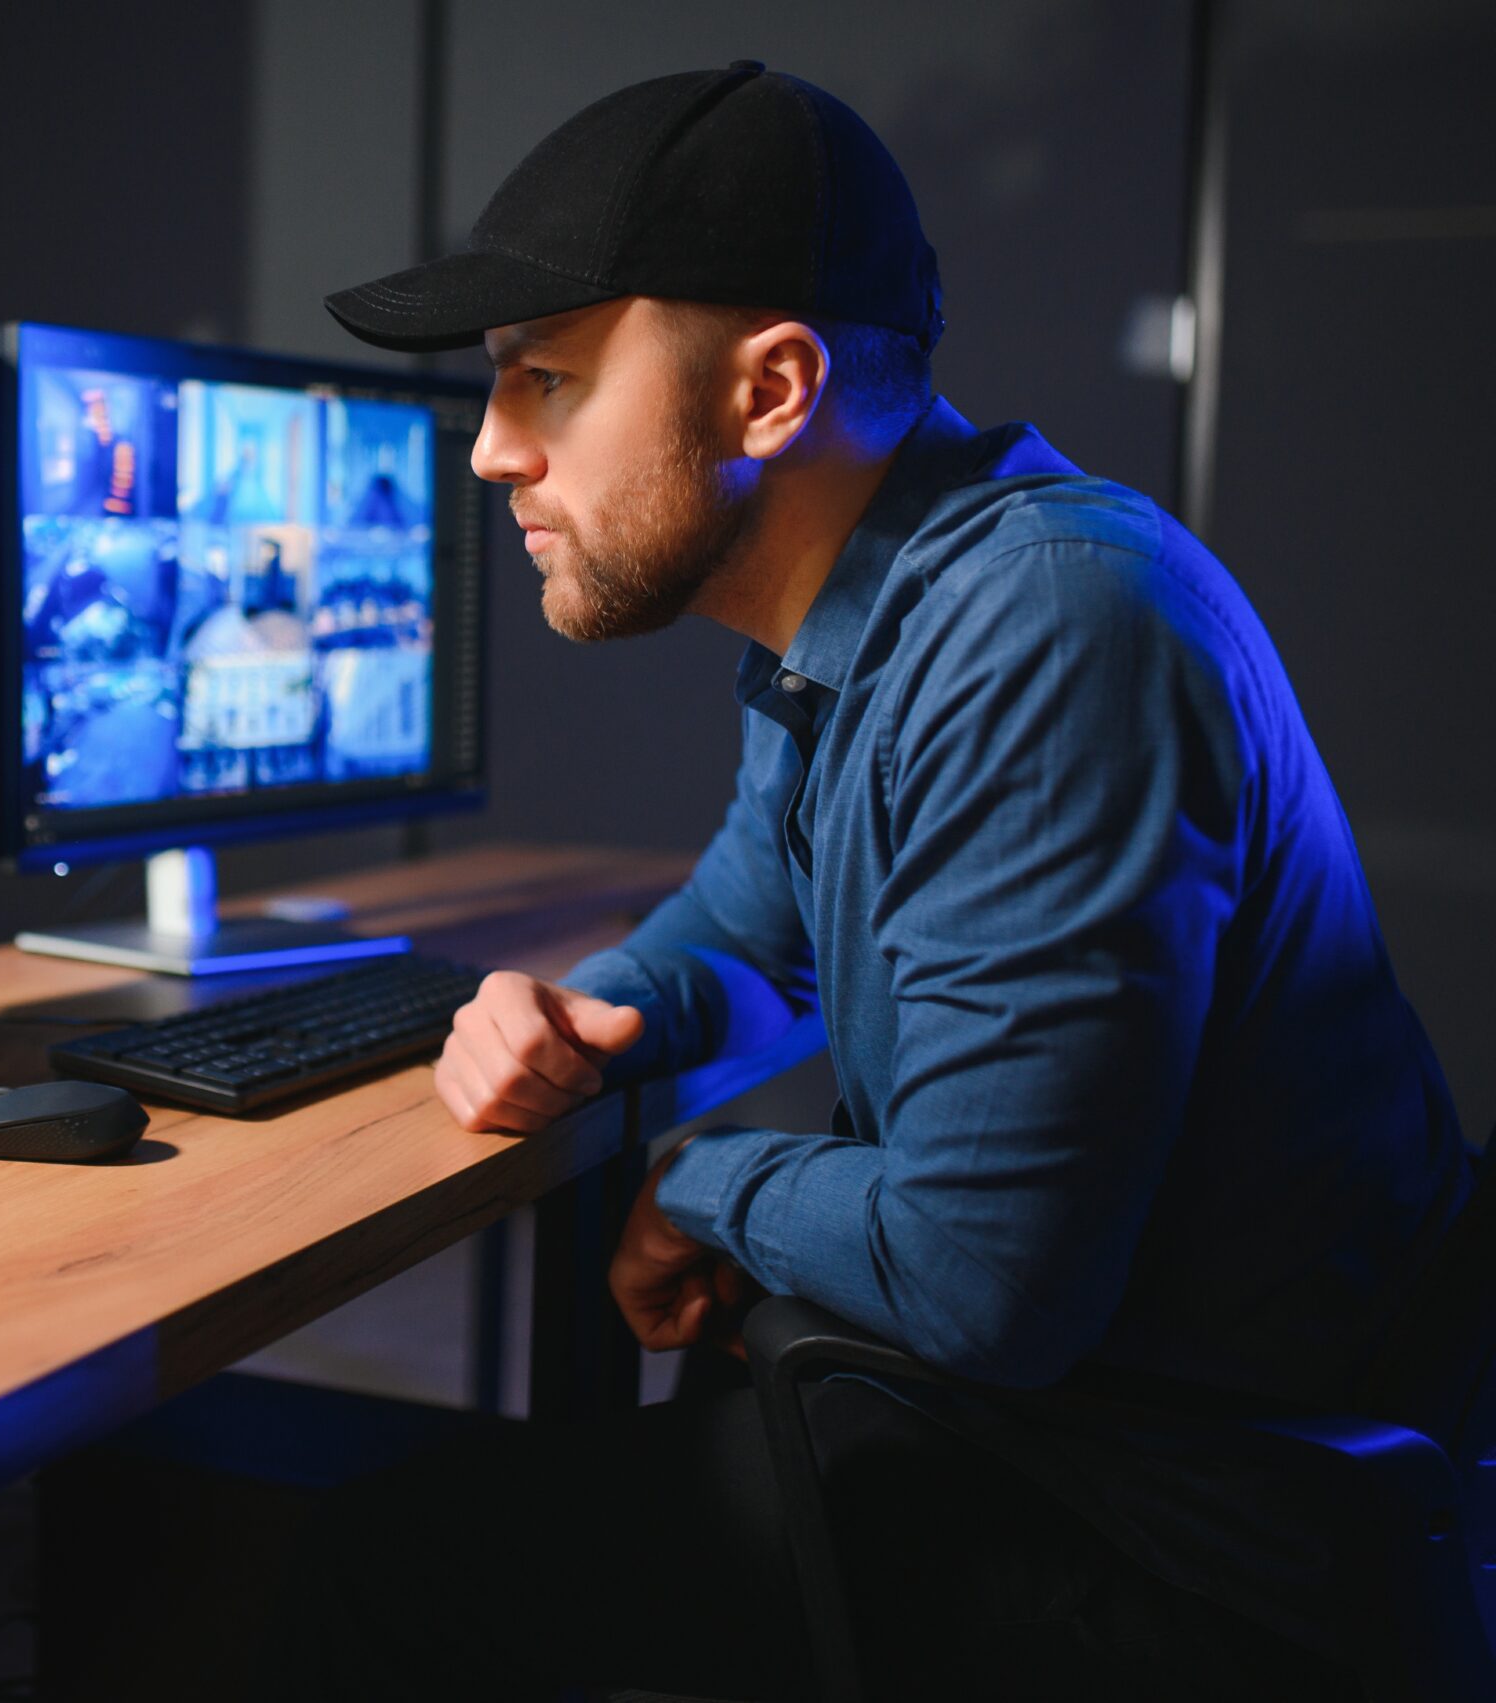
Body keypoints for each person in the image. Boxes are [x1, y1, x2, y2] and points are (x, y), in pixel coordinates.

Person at [269, 60, 1473, 1700]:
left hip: (1180, 1541)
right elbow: (746, 924)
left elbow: (986, 1284)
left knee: (370, 1572)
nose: (490, 452)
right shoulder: (863, 622)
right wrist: (585, 1013)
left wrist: (697, 1184)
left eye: (545, 380)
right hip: (1065, 1427)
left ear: (771, 393)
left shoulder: (1050, 632)